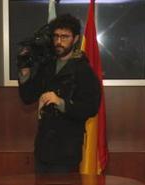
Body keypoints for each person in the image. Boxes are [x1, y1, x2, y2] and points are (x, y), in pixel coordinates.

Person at [18, 13, 101, 174]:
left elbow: (91, 108)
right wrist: (25, 72)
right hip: (43, 149)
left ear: (75, 39)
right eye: (56, 36)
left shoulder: (83, 70)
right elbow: (27, 97)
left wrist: (60, 102)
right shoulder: (47, 66)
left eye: (65, 37)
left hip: (67, 150)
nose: (59, 42)